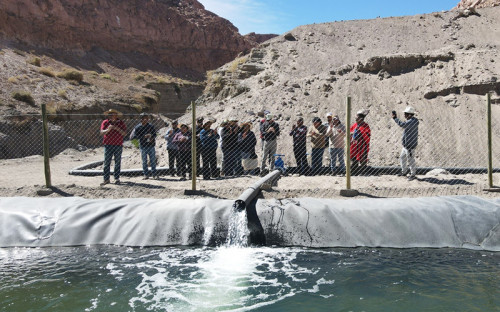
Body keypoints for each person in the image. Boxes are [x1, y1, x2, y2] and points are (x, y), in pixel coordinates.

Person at [100, 109, 127, 185]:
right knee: (106, 162)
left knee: (117, 162)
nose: (111, 116)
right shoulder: (105, 122)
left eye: (113, 114)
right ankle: (106, 179)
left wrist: (116, 128)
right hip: (108, 145)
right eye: (110, 114)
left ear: (116, 115)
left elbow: (124, 133)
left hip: (118, 145)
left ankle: (116, 178)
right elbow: (101, 132)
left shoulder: (121, 123)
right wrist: (108, 129)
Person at [392, 106, 419, 181]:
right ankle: (404, 172)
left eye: (406, 114)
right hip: (406, 145)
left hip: (409, 146)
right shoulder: (412, 121)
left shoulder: (411, 122)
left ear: (409, 115)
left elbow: (402, 124)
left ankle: (413, 174)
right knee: (402, 157)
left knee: (410, 160)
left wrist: (395, 118)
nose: (404, 115)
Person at [131, 113, 157, 179]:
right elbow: (135, 136)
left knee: (153, 160)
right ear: (141, 119)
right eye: (145, 118)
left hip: (151, 145)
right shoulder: (138, 127)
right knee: (144, 161)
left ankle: (154, 174)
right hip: (143, 146)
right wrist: (143, 136)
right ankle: (146, 174)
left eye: (147, 118)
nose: (147, 119)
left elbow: (155, 134)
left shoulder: (151, 126)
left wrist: (151, 137)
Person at [350, 109, 371, 175]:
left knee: (363, 160)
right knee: (354, 160)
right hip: (354, 146)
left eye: (357, 118)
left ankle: (363, 172)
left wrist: (360, 133)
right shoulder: (354, 125)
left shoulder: (365, 126)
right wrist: (351, 135)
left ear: (361, 119)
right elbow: (350, 133)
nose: (356, 119)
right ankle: (354, 172)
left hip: (362, 146)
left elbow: (367, 135)